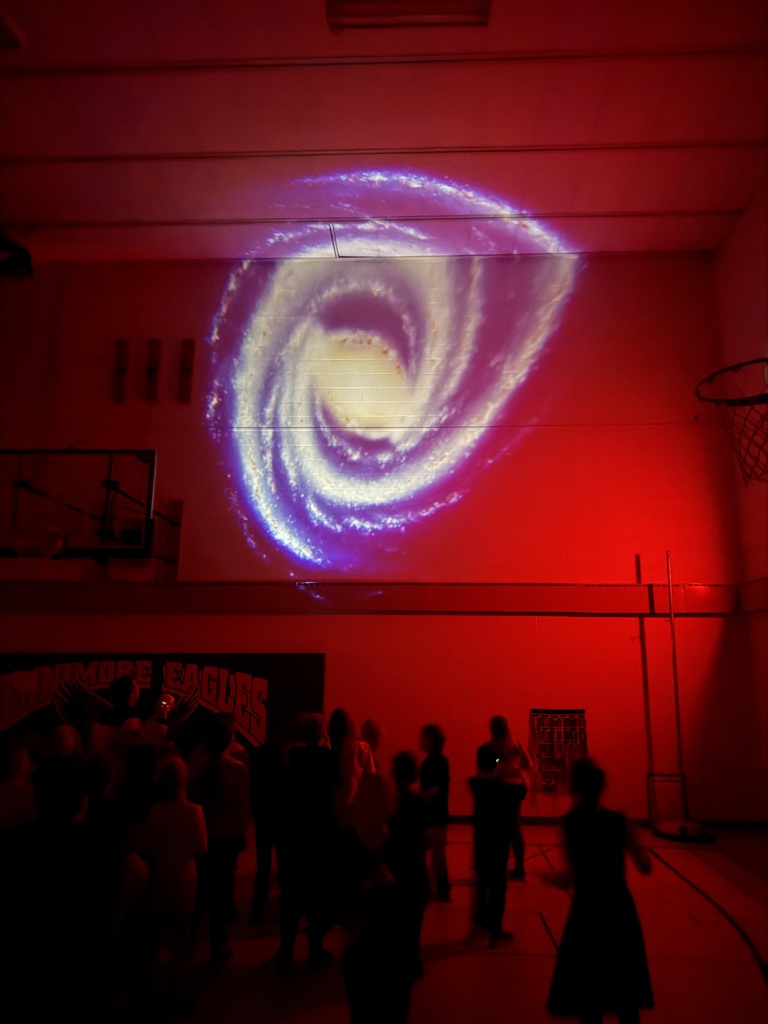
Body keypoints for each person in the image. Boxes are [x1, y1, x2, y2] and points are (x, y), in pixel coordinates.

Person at [547, 758, 654, 1024]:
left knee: (589, 1001)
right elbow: (645, 867)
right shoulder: (619, 821)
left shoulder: (570, 823)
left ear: (575, 787)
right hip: (619, 912)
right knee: (626, 999)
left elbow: (568, 879)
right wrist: (637, 840)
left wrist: (548, 878)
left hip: (586, 914)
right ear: (601, 787)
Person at [274, 713, 339, 974]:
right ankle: (314, 950)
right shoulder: (329, 758)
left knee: (291, 898)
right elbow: (335, 785)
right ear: (322, 735)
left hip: (295, 834)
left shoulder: (293, 758)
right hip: (319, 834)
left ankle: (286, 950)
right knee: (317, 898)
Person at [143, 756, 207, 1012]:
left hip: (161, 878)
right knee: (181, 941)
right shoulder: (194, 811)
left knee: (156, 940)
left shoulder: (156, 811)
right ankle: (176, 994)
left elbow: (150, 845)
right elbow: (201, 847)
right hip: (185, 878)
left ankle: (151, 993)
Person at [189, 714, 250, 964]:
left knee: (200, 892)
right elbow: (243, 808)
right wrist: (243, 836)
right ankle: (218, 946)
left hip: (203, 838)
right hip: (227, 838)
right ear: (230, 740)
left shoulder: (196, 764)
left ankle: (189, 943)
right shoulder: (237, 769)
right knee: (222, 895)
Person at [469, 743, 517, 945]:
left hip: (481, 843)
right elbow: (523, 784)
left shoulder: (475, 784)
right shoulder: (504, 789)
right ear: (496, 763)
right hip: (498, 846)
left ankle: (480, 917)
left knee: (482, 882)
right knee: (498, 889)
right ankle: (495, 929)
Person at [388, 751, 430, 977]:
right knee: (413, 917)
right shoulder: (415, 802)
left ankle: (395, 957)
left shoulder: (390, 798)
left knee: (396, 916)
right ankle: (410, 957)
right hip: (413, 865)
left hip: (395, 864)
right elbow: (424, 837)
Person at [248, 732, 288, 925]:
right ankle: (286, 907)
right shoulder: (284, 775)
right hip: (281, 823)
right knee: (284, 866)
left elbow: (254, 801)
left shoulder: (258, 777)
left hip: (264, 823)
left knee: (263, 868)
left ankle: (257, 911)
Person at [489, 714, 532, 878]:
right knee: (515, 827)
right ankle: (519, 866)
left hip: (501, 788)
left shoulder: (495, 746)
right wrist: (518, 770)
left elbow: (496, 762)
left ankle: (503, 865)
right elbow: (529, 763)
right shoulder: (515, 743)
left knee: (502, 828)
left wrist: (502, 761)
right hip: (517, 788)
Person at [419, 723, 451, 901]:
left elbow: (434, 789)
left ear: (430, 741)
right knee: (438, 853)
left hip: (433, 814)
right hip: (438, 813)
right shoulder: (439, 761)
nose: (420, 740)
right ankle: (441, 886)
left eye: (423, 737)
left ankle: (438, 887)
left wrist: (420, 799)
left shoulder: (432, 762)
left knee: (436, 854)